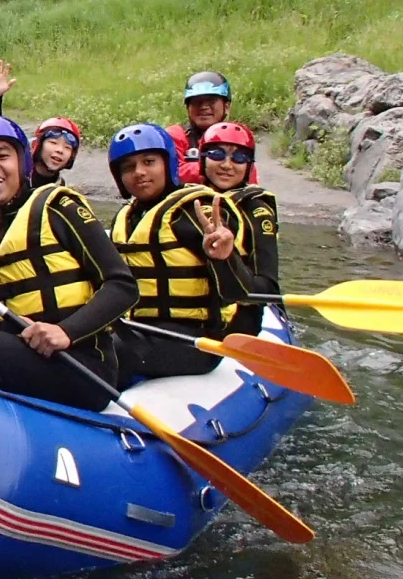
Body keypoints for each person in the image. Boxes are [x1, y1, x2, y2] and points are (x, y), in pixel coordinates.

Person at [0, 116, 137, 410]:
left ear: (22, 163)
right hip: (15, 356)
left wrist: (65, 331)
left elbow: (122, 285)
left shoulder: (58, 206)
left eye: (2, 155)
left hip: (80, 365)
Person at [106, 122, 253, 381]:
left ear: (168, 163)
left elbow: (241, 293)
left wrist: (224, 258)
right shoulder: (127, 217)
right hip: (139, 329)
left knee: (105, 355)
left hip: (194, 340)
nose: (139, 172)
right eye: (128, 167)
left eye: (149, 161)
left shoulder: (197, 211)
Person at [199, 122, 279, 337]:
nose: (227, 165)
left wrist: (227, 258)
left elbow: (268, 289)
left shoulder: (257, 210)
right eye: (217, 154)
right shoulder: (188, 200)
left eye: (239, 158)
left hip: (237, 325)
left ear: (248, 166)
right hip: (190, 318)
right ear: (202, 159)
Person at [0, 59, 81, 190]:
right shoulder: (15, 172)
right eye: (53, 143)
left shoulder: (60, 189)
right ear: (37, 145)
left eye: (67, 148)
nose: (60, 150)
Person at [166, 70, 233, 183]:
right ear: (188, 108)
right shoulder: (174, 135)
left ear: (226, 107)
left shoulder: (237, 138)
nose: (204, 107)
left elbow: (248, 177)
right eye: (197, 102)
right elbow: (171, 172)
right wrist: (218, 166)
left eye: (211, 101)